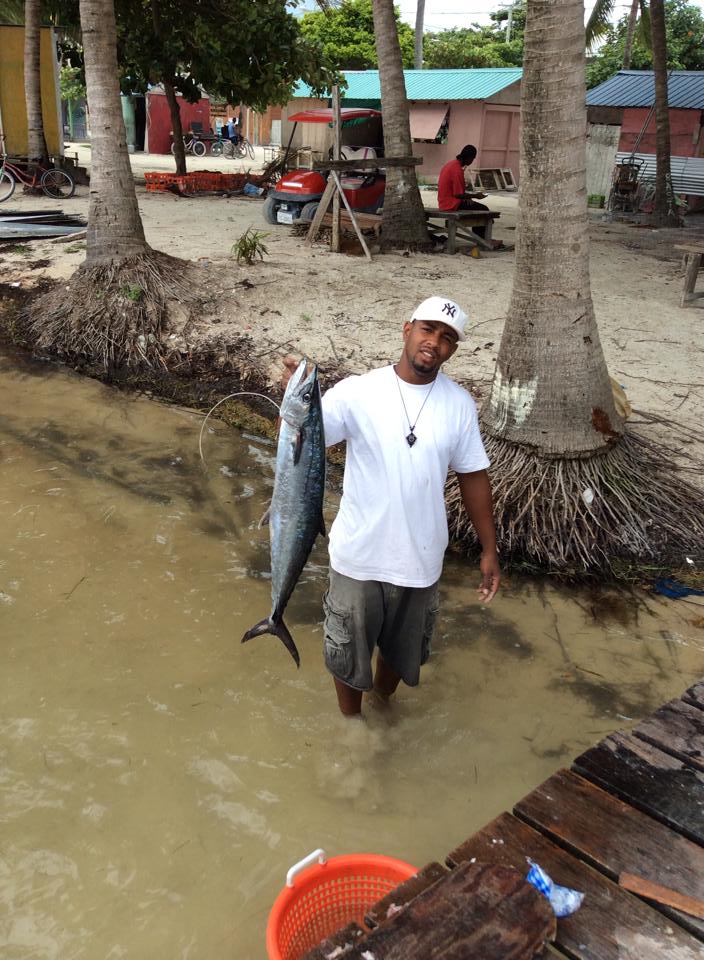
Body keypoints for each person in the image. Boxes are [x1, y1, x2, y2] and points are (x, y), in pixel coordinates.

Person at [283, 296, 500, 717]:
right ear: (407, 329)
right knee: (348, 655)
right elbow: (299, 445)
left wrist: (489, 549)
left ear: (453, 349)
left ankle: (382, 705)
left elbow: (474, 476)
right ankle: (352, 727)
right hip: (358, 556)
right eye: (427, 329)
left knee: (402, 655)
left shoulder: (459, 406)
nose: (434, 342)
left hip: (421, 559)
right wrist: (293, 401)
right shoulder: (358, 392)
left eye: (447, 337)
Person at [437, 144, 500, 245]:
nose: (472, 161)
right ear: (469, 158)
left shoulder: (451, 164)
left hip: (445, 201)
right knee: (484, 209)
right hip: (451, 204)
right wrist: (475, 196)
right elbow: (458, 194)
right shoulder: (457, 170)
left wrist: (467, 197)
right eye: (473, 159)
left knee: (477, 207)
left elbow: (458, 192)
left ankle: (481, 237)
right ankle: (483, 239)